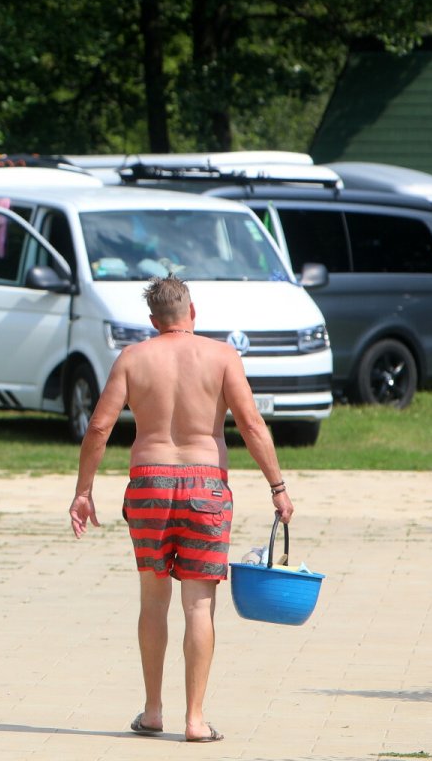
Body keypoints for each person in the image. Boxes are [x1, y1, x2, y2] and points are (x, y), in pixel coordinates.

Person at [69, 274, 295, 743]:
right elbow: (252, 425)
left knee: (153, 601)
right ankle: (195, 719)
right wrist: (277, 486)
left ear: (153, 320)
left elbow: (98, 428)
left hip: (148, 484)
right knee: (199, 605)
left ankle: (153, 711)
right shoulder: (222, 356)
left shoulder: (133, 358)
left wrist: (84, 491)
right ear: (192, 312)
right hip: (206, 485)